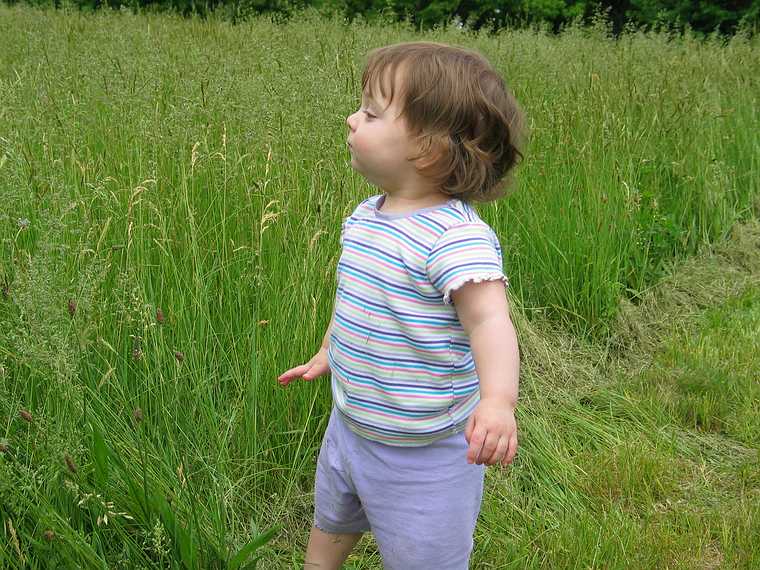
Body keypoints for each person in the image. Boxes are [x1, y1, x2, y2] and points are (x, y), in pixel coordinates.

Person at [277, 40, 527, 570]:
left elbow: (489, 322)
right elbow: (357, 300)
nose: (351, 120)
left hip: (424, 452)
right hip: (351, 425)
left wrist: (498, 401)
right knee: (331, 523)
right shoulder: (366, 216)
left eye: (369, 112)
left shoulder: (455, 238)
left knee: (422, 556)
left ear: (429, 148)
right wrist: (330, 351)